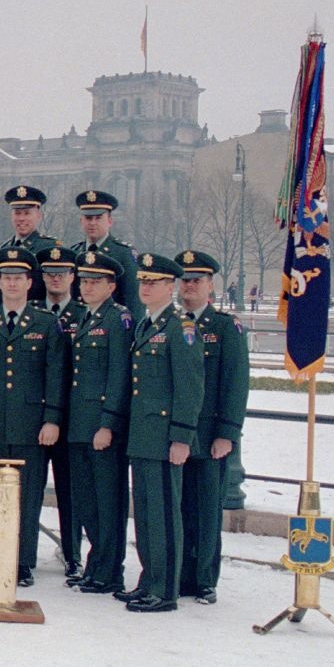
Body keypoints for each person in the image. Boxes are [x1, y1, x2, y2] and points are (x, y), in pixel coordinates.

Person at [0, 246, 67, 587]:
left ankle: (22, 563)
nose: (11, 284)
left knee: (27, 496)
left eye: (18, 278)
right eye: (6, 278)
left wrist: (52, 419)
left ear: (29, 282)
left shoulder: (46, 323)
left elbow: (55, 375)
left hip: (30, 425)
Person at [115, 253, 205, 613]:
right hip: (144, 436)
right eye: (142, 282)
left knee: (165, 515)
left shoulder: (180, 328)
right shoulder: (147, 325)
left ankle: (165, 589)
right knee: (148, 515)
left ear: (170, 287)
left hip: (166, 437)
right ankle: (149, 580)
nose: (145, 288)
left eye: (153, 282)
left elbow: (189, 386)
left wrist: (182, 436)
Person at [176, 250, 249, 605]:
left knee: (205, 511)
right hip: (176, 435)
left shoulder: (224, 327)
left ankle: (204, 579)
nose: (189, 286)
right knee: (178, 508)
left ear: (211, 286)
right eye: (185, 280)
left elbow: (236, 383)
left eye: (197, 280)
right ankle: (179, 574)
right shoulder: (172, 324)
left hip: (209, 436)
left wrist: (228, 433)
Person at [64, 250, 134, 595]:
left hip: (101, 427)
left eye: (95, 282)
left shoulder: (117, 320)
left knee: (108, 502)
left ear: (111, 286)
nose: (87, 287)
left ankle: (110, 570)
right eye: (84, 281)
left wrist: (109, 423)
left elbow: (119, 375)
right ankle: (95, 565)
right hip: (79, 424)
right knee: (86, 502)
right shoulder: (83, 317)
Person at [34, 245, 87, 581]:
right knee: (28, 488)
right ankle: (20, 551)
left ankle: (72, 554)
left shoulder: (85, 315)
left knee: (70, 492)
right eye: (49, 272)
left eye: (62, 272)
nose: (55, 277)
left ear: (72, 277)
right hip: (33, 416)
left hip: (71, 419)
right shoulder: (32, 311)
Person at [69, 189, 142, 322]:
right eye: (88, 218)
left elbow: (134, 300)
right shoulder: (74, 253)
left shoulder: (123, 253)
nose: (92, 223)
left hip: (113, 328)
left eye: (98, 218)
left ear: (110, 221)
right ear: (81, 220)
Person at [0, 184, 62, 303]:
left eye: (27, 213)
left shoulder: (50, 248)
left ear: (39, 216)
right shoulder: (4, 249)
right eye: (17, 213)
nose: (21, 218)